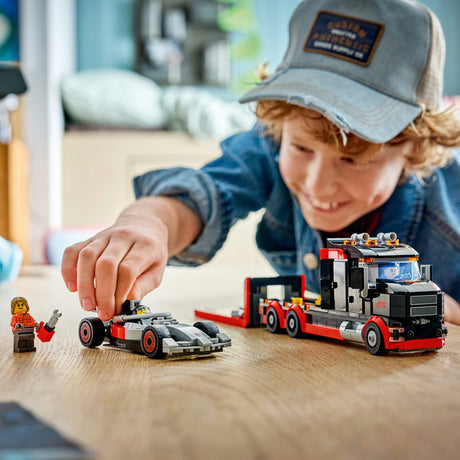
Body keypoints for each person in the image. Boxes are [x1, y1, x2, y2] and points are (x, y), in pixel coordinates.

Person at [61, 0, 460, 324]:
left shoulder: (451, 214)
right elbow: (206, 194)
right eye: (302, 149)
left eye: (353, 159)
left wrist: (435, 312)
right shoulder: (271, 143)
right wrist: (148, 223)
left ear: (414, 149)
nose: (318, 185)